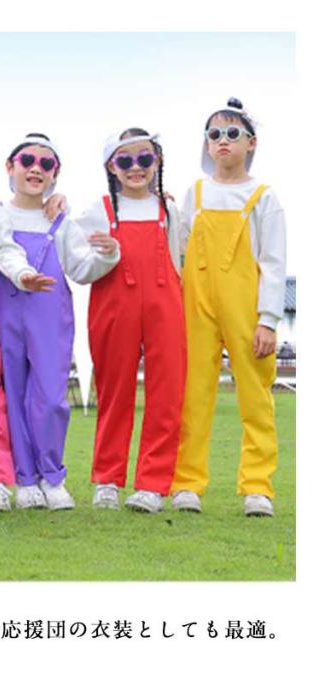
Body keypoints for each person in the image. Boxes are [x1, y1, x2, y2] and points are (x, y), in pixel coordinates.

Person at [171, 98, 286, 517]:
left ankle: (257, 486)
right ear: (206, 143)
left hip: (246, 308)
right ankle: (187, 483)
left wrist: (268, 320)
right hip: (197, 304)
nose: (223, 141)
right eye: (214, 134)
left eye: (232, 133)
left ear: (250, 142)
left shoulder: (263, 197)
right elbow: (178, 247)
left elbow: (273, 262)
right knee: (193, 394)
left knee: (255, 396)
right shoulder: (196, 193)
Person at [0, 133, 119, 510]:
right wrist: (22, 274)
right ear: (10, 167)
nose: (36, 169)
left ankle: (52, 476)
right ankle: (25, 479)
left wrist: (107, 256)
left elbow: (81, 268)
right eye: (27, 161)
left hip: (50, 317)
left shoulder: (61, 221)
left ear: (55, 173)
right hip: (4, 314)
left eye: (46, 164)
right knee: (13, 394)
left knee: (51, 397)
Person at [76, 128, 186, 513]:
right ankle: (107, 479)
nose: (135, 168)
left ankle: (153, 484)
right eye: (125, 160)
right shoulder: (99, 210)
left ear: (158, 161)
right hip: (113, 305)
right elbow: (76, 261)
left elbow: (181, 258)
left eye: (144, 159)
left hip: (165, 304)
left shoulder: (170, 210)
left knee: (167, 394)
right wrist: (104, 253)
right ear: (111, 166)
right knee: (113, 393)